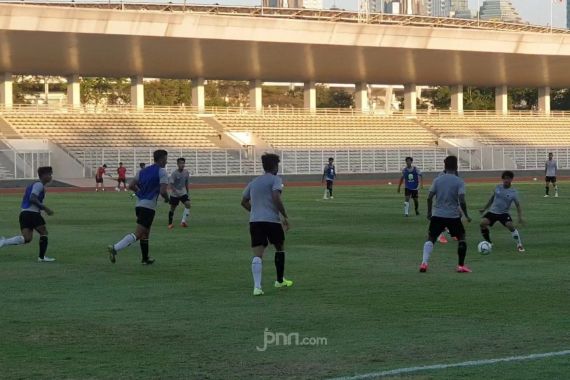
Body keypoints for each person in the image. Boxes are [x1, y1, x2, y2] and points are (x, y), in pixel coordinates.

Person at [241, 153, 293, 296]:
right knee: (279, 248)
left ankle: (257, 287)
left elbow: (243, 202)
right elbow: (276, 196)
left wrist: (255, 211)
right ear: (275, 166)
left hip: (255, 221)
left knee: (258, 254)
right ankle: (279, 280)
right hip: (272, 220)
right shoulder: (275, 179)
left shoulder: (254, 181)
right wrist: (284, 215)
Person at [108, 150, 169, 265]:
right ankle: (115, 248)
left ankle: (145, 259)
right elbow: (163, 191)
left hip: (139, 205)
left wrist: (140, 193)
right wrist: (167, 198)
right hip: (148, 207)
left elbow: (131, 185)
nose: (166, 161)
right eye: (166, 159)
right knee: (139, 233)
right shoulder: (162, 172)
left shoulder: (143, 171)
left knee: (146, 233)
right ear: (161, 159)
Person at [420, 155, 472, 273]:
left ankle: (424, 263)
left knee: (431, 238)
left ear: (444, 165)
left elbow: (429, 198)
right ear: (456, 166)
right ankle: (460, 266)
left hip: (437, 214)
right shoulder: (459, 181)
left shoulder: (438, 180)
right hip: (453, 216)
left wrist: (429, 212)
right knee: (462, 238)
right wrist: (466, 215)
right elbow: (462, 200)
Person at [0, 166, 56, 262]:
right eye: (50, 174)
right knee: (44, 233)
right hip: (32, 213)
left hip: (24, 213)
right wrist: (45, 208)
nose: (51, 177)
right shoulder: (39, 185)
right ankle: (41, 258)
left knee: (27, 238)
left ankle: (4, 242)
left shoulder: (34, 185)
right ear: (44, 175)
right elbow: (32, 198)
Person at [480, 171, 525, 252]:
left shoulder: (513, 192)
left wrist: (520, 218)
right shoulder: (497, 187)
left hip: (503, 213)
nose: (506, 180)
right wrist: (484, 208)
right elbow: (492, 198)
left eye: (508, 178)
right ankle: (489, 242)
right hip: (492, 212)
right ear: (502, 179)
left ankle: (519, 244)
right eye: (504, 178)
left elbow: (518, 205)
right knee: (483, 224)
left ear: (511, 179)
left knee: (510, 226)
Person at [168, 158, 191, 229]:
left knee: (188, 204)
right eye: (180, 163)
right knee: (172, 208)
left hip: (182, 192)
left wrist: (187, 192)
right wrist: (175, 191)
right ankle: (170, 223)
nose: (182, 165)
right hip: (174, 194)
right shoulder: (174, 173)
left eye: (183, 163)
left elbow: (186, 183)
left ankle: (183, 222)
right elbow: (171, 184)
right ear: (177, 164)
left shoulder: (186, 172)